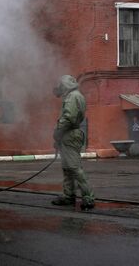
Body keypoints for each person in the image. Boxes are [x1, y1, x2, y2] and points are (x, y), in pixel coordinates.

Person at [51, 75, 95, 210]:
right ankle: (68, 195)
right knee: (68, 168)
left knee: (74, 168)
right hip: (69, 134)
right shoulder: (76, 95)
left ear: (65, 86)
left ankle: (88, 197)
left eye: (61, 87)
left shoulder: (72, 97)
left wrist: (57, 133)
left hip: (69, 134)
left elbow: (68, 118)